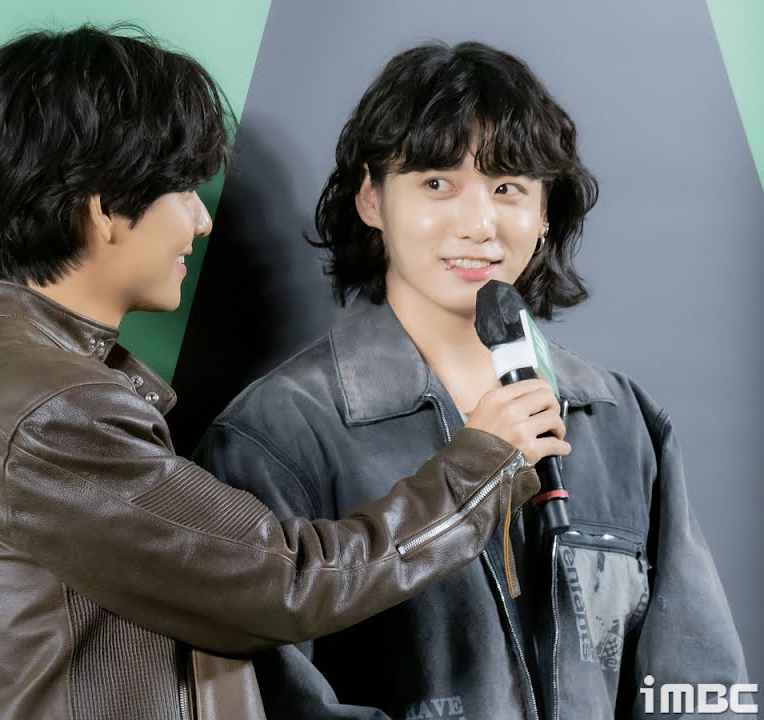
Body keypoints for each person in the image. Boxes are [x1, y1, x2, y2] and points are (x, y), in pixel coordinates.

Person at [0, 26, 562, 720]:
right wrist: (483, 465)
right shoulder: (54, 412)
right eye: (182, 189)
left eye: (507, 187)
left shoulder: (24, 378)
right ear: (103, 209)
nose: (201, 220)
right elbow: (289, 583)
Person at [195, 42, 747, 720]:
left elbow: (700, 680)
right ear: (371, 199)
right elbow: (277, 700)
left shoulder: (619, 418)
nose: (478, 224)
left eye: (508, 188)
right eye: (437, 184)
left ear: (545, 214)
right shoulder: (278, 433)